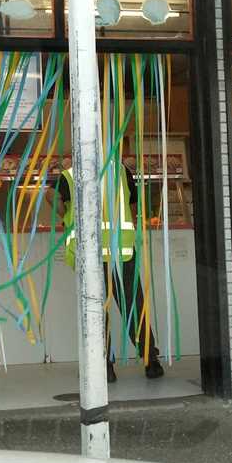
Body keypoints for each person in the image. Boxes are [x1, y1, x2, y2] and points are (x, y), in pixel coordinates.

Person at [48, 155, 164, 383]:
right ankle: (151, 360)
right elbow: (133, 204)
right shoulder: (121, 171)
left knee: (98, 308)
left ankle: (106, 366)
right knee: (133, 303)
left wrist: (66, 215)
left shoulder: (72, 173)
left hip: (91, 251)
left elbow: (50, 196)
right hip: (122, 249)